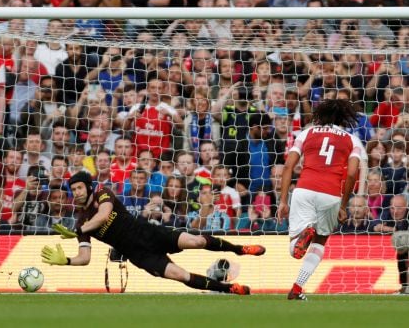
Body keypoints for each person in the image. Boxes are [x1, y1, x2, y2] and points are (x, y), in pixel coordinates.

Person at [41, 172, 266, 295]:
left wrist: (77, 231)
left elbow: (103, 215)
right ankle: (229, 289)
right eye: (73, 190)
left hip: (148, 233)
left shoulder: (102, 195)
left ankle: (240, 249)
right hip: (139, 255)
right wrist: (67, 261)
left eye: (79, 187)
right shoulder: (81, 222)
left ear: (89, 187)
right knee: (181, 275)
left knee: (196, 240)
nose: (76, 192)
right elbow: (85, 258)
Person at [278, 99, 364, 300]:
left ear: (320, 115)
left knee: (294, 249)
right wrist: (343, 205)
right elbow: (352, 174)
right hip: (331, 194)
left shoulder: (307, 132)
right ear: (344, 118)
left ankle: (304, 234)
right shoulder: (353, 140)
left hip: (304, 189)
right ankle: (297, 288)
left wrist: (283, 201)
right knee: (321, 240)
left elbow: (289, 166)